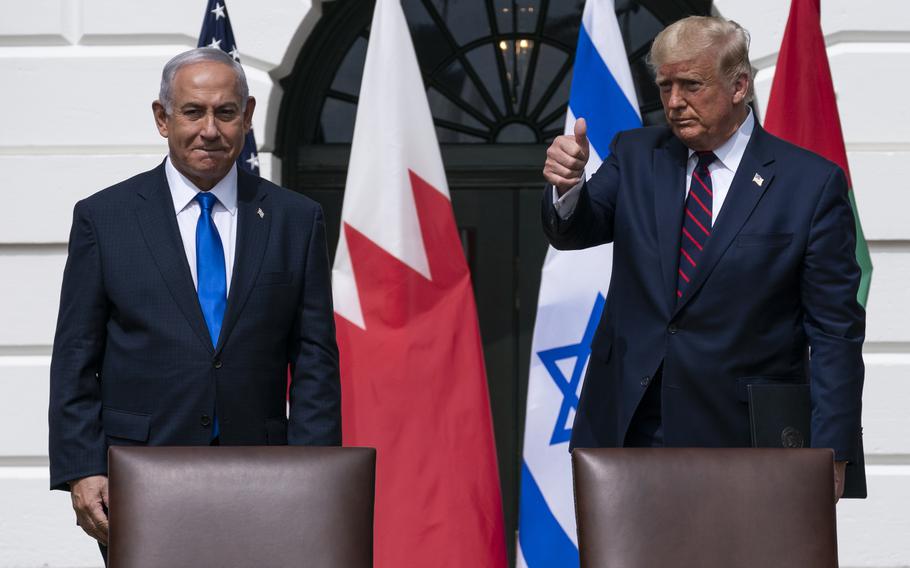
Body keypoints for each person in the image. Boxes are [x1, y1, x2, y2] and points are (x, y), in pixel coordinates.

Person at [542, 16, 865, 499]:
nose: (674, 103)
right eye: (665, 85)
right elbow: (577, 229)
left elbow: (835, 333)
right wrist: (566, 189)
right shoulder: (635, 155)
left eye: (691, 85)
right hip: (628, 432)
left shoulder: (810, 184)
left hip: (746, 441)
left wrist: (833, 451)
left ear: (739, 85)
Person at [48, 47, 342, 554]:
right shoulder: (106, 218)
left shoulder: (295, 219)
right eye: (193, 112)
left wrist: (313, 470)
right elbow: (76, 354)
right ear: (163, 119)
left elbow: (314, 357)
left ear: (247, 117)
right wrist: (83, 467)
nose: (210, 129)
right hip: (139, 475)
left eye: (226, 112)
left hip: (264, 476)